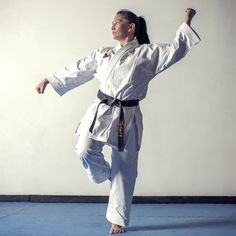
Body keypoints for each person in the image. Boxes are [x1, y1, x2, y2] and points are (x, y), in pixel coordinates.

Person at [35, 8, 201, 234]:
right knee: (84, 149)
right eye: (112, 22)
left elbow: (176, 49)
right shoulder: (103, 54)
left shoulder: (147, 54)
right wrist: (50, 79)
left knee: (125, 168)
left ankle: (118, 220)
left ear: (131, 27)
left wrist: (187, 21)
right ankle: (104, 174)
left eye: (118, 22)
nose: (112, 25)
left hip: (128, 115)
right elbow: (80, 67)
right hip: (101, 110)